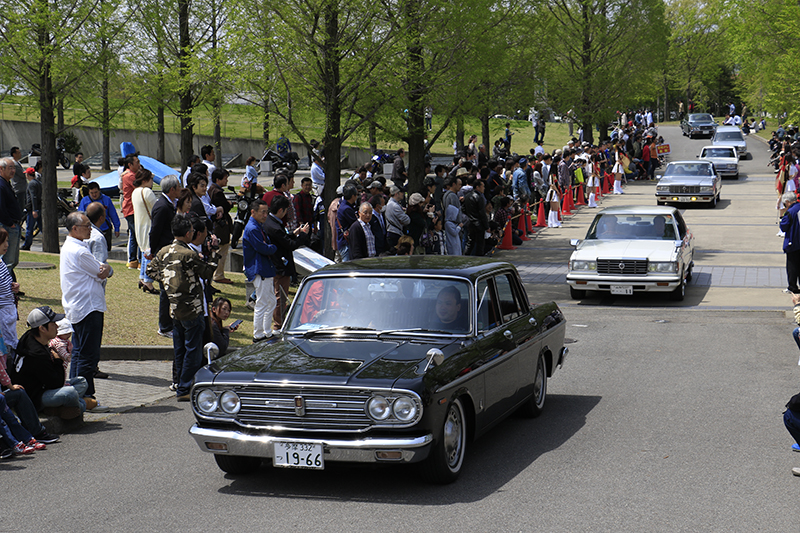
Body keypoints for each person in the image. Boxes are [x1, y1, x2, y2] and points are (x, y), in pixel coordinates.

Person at [147, 214, 220, 401]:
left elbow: (150, 270)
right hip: (192, 308)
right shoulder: (189, 254)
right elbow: (207, 272)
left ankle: (179, 382)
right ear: (188, 233)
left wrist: (167, 282)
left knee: (179, 348)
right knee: (192, 349)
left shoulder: (164, 251)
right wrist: (214, 254)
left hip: (174, 307)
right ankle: (185, 388)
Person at [60, 212, 112, 410]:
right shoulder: (79, 251)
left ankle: (75, 392)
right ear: (75, 229)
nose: (91, 229)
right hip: (88, 306)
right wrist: (105, 269)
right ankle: (86, 395)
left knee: (80, 352)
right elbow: (100, 272)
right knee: (88, 354)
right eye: (87, 225)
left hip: (79, 305)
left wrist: (103, 269)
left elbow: (99, 270)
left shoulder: (72, 247)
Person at [9, 306, 89, 419]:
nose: (57, 326)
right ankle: (83, 405)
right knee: (70, 393)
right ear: (42, 328)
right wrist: (57, 360)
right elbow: (57, 383)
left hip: (44, 385)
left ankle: (60, 407)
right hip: (35, 397)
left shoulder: (30, 337)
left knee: (81, 381)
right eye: (53, 324)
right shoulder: (36, 354)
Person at [264, 195, 309, 330]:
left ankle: (279, 322)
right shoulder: (275, 226)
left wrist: (294, 233)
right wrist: (303, 235)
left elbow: (283, 239)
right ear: (281, 210)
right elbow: (290, 244)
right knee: (281, 297)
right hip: (280, 266)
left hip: (277, 264)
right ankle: (279, 324)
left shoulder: (271, 222)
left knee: (278, 296)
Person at [149, 175, 182, 338]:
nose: (181, 189)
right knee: (165, 290)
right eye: (179, 186)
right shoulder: (162, 207)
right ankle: (164, 326)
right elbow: (154, 231)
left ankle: (168, 323)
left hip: (168, 251)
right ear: (172, 189)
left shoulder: (169, 205)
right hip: (163, 253)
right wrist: (154, 251)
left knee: (168, 289)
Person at [241, 200, 277, 342]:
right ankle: (258, 334)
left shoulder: (257, 226)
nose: (265, 215)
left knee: (271, 301)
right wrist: (274, 247)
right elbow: (262, 248)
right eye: (262, 212)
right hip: (259, 268)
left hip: (264, 268)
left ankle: (267, 331)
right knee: (262, 302)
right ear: (253, 212)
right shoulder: (252, 228)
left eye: (266, 212)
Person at [78, 181, 120, 252]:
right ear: (89, 192)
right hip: (89, 230)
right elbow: (80, 215)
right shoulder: (84, 201)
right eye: (92, 193)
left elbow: (113, 215)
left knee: (106, 250)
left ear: (99, 191)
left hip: (105, 229)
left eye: (96, 192)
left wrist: (117, 228)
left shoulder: (106, 199)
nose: (94, 195)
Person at [208, 168, 233, 284]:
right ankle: (218, 275)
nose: (227, 180)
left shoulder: (212, 190)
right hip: (221, 226)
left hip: (217, 226)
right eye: (225, 178)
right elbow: (224, 207)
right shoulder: (217, 192)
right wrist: (229, 204)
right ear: (218, 179)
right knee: (221, 251)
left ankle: (218, 273)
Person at [0, 158, 22, 281]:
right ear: (1, 169)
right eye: (10, 168)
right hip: (8, 226)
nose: (13, 170)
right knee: (7, 261)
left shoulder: (6, 183)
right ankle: (4, 290)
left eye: (14, 167)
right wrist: (10, 224)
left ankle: (10, 287)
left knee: (12, 260)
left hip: (12, 226)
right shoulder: (1, 184)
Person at [120, 152, 142, 269]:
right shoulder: (130, 175)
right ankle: (137, 261)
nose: (139, 164)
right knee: (139, 234)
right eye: (137, 162)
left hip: (131, 208)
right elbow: (141, 186)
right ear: (130, 164)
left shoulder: (129, 174)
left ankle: (133, 260)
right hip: (131, 209)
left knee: (134, 235)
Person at [463, 179, 489, 256]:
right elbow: (482, 213)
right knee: (480, 244)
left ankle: (466, 256)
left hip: (470, 222)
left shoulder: (467, 196)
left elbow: (463, 208)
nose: (484, 188)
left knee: (470, 242)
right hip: (478, 223)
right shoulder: (479, 197)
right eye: (482, 186)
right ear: (477, 187)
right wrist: (486, 226)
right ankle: (479, 258)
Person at [781, 191, 800, 294]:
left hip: (793, 243)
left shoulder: (790, 212)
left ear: (788, 202)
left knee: (792, 267)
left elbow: (783, 227)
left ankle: (792, 287)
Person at [335, 184, 358, 262]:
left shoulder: (343, 205)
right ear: (352, 196)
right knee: (347, 267)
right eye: (356, 195)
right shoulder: (346, 209)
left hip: (342, 241)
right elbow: (355, 223)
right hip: (345, 243)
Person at [21, 165, 41, 251]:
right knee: (41, 226)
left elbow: (33, 197)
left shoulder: (31, 184)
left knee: (29, 228)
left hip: (33, 209)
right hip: (39, 208)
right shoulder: (38, 182)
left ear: (28, 175)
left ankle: (27, 245)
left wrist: (34, 209)